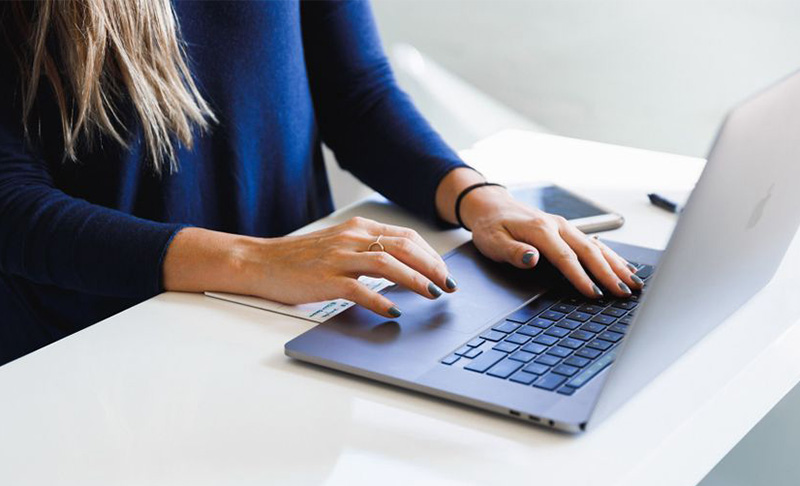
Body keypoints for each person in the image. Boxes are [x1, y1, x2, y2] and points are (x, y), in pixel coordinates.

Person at [0, 0, 642, 366]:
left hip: (292, 316)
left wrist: (480, 199)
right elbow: (11, 206)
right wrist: (253, 259)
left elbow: (355, 93)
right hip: (100, 348)